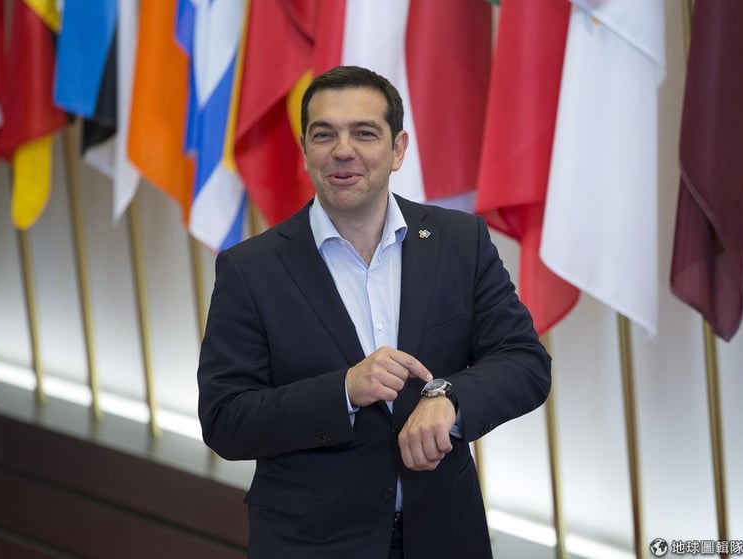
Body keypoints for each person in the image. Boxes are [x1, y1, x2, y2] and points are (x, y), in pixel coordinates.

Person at [197, 65, 551, 559]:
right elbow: (226, 420)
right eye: (324, 134)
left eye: (364, 133)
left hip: (446, 536)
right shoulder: (250, 269)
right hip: (314, 545)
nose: (343, 150)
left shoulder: (459, 241)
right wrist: (344, 390)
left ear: (398, 149)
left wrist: (448, 398)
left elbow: (525, 361)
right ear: (304, 151)